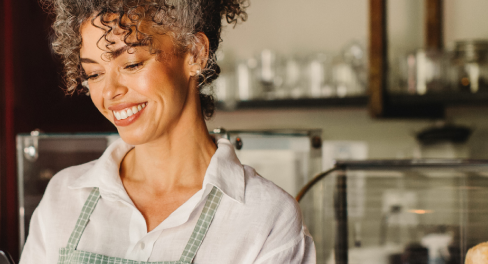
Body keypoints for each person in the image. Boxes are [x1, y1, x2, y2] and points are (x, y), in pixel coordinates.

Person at [21, 0, 316, 263]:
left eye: (132, 63)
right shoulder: (63, 197)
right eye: (94, 74)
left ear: (195, 53)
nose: (109, 92)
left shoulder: (266, 218)